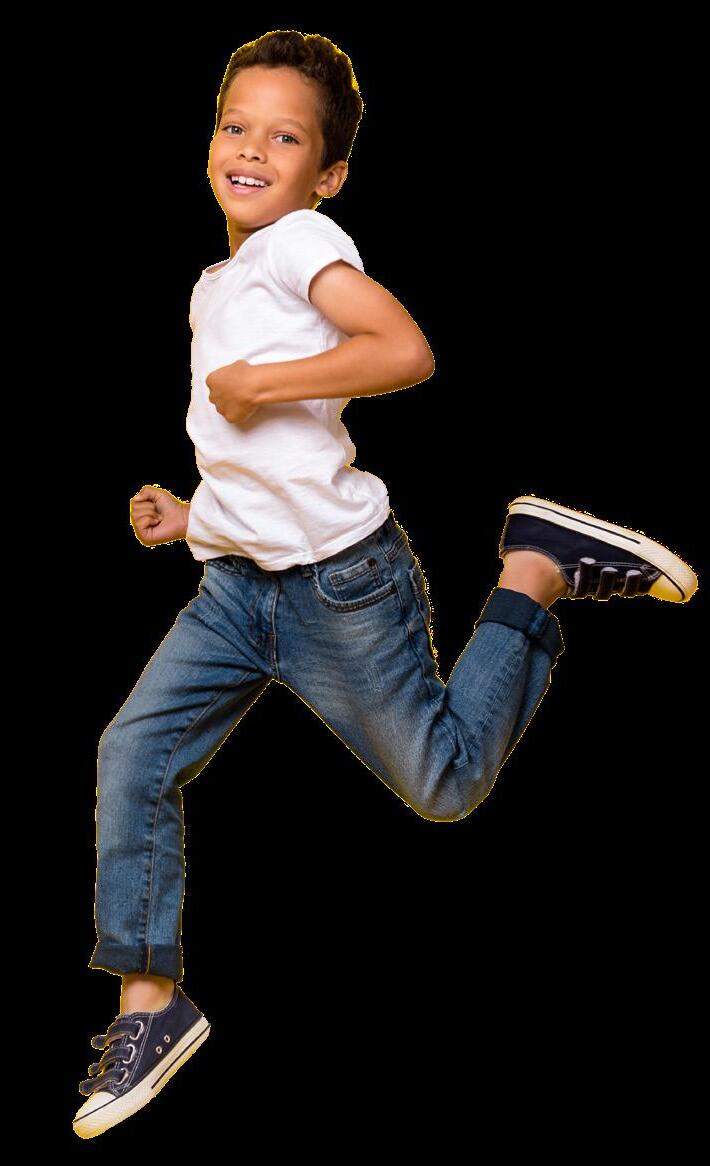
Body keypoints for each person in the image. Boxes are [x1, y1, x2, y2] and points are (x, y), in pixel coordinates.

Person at [73, 31, 698, 1139]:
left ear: (329, 175)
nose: (250, 149)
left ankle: (532, 570)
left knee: (443, 786)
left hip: (338, 589)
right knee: (133, 751)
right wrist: (192, 516)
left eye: (285, 138)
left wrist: (267, 380)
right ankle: (151, 1004)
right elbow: (264, 467)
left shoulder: (298, 242)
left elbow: (402, 349)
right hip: (234, 589)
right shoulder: (217, 281)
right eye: (234, 125)